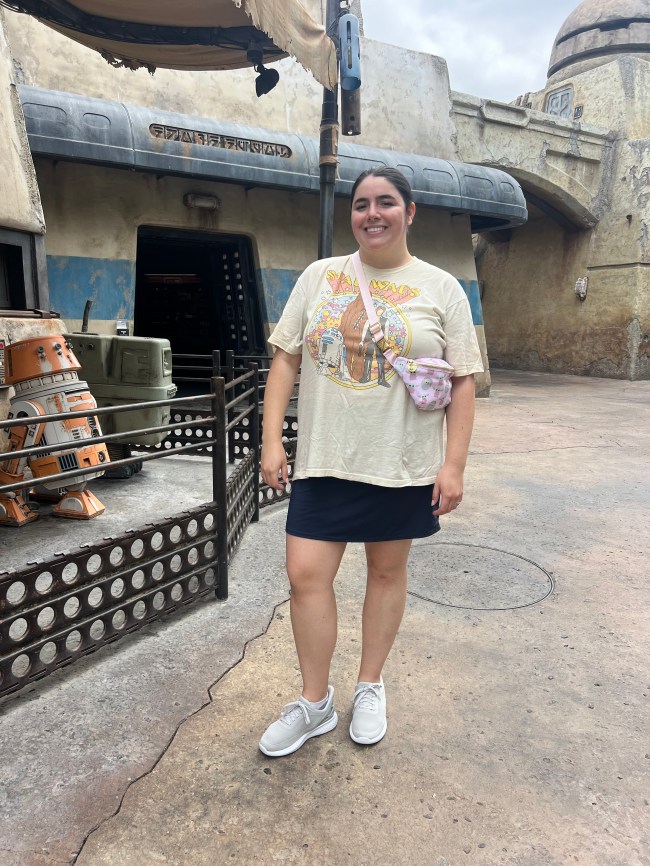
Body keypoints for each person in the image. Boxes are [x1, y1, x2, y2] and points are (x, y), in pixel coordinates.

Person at [259, 167, 483, 757]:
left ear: (410, 212)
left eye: (386, 202)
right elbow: (285, 359)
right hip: (325, 459)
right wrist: (271, 440)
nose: (372, 214)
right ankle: (314, 703)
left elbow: (464, 380)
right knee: (306, 576)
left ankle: (369, 686)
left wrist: (453, 465)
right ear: (352, 214)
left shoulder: (442, 288)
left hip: (400, 462)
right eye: (361, 204)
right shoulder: (320, 276)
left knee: (386, 574)